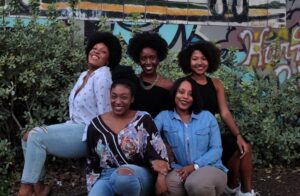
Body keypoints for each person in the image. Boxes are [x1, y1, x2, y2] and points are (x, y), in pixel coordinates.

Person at [18, 32, 122, 196]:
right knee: (27, 137)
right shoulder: (84, 75)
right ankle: (39, 188)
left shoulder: (103, 75)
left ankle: (24, 190)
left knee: (36, 136)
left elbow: (105, 113)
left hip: (87, 134)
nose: (96, 52)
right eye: (94, 48)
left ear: (108, 60)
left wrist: (103, 150)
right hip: (73, 127)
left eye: (102, 52)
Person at [177, 41, 258, 196]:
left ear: (210, 61)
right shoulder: (184, 84)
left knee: (242, 147)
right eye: (195, 59)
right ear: (188, 61)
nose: (199, 62)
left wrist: (238, 135)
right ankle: (231, 185)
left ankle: (244, 191)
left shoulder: (216, 84)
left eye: (204, 58)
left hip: (212, 134)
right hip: (193, 138)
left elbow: (225, 112)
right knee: (231, 147)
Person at [86, 66, 170, 196]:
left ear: (132, 99)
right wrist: (92, 188)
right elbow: (92, 161)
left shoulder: (143, 119)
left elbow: (159, 153)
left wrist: (161, 177)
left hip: (137, 175)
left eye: (124, 97)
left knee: (122, 178)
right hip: (107, 176)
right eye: (114, 96)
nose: (118, 102)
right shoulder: (95, 125)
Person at [154, 77, 228, 196]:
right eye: (181, 92)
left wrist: (194, 166)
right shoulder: (164, 117)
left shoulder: (207, 117)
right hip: (180, 168)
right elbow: (150, 139)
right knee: (169, 183)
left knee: (196, 184)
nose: (185, 97)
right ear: (174, 93)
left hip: (210, 167)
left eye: (190, 94)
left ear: (194, 98)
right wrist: (161, 174)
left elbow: (216, 150)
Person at [127, 31, 173, 118]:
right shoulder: (131, 81)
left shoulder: (168, 86)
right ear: (138, 60)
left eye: (152, 58)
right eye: (143, 58)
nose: (148, 62)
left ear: (159, 58)